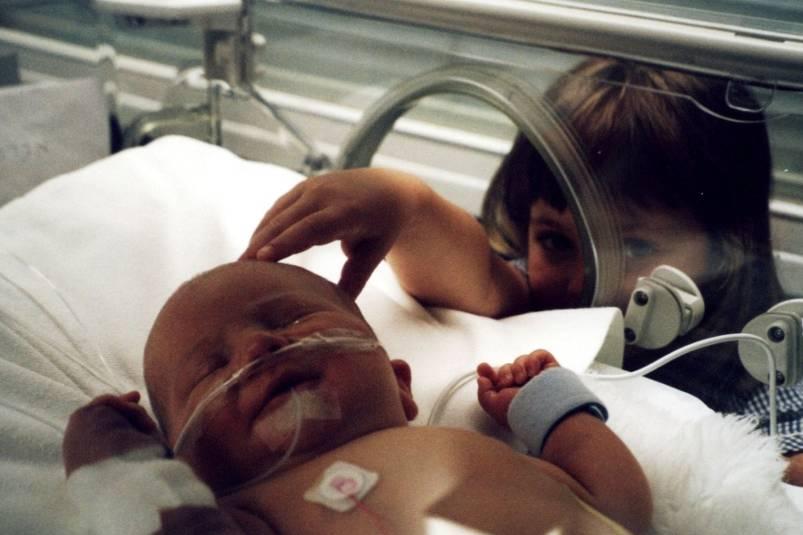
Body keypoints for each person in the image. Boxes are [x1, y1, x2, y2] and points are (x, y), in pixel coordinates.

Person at [239, 57, 803, 483]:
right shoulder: (542, 297)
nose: (586, 276)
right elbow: (476, 277)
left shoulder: (766, 361)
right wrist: (406, 205)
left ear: (728, 244)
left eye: (631, 246)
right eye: (556, 239)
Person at [63, 260, 652, 534]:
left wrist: (546, 408)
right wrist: (113, 460)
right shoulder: (246, 518)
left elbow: (619, 502)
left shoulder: (473, 452)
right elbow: (154, 524)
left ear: (399, 384)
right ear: (188, 467)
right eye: (211, 368)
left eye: (292, 318)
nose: (259, 347)